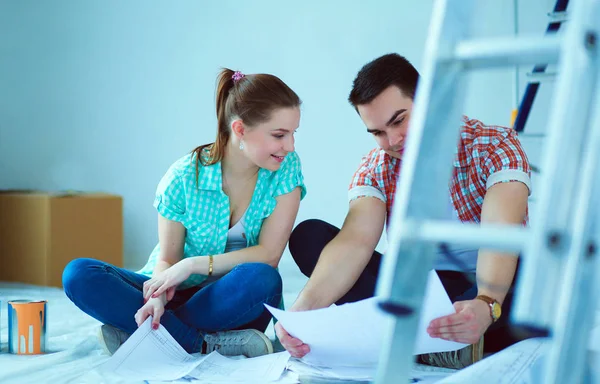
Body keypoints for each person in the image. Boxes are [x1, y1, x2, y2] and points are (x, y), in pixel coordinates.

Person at [276, 53, 531, 369]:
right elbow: (355, 241)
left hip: (493, 280)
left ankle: (430, 335)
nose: (393, 140)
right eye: (378, 132)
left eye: (399, 120)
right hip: (420, 288)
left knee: (538, 280)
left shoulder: (493, 144)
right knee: (310, 236)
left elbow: (501, 232)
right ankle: (436, 340)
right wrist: (302, 313)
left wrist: (486, 303)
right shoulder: (375, 168)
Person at [63, 68, 306, 358]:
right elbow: (167, 258)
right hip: (173, 292)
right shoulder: (183, 176)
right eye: (279, 135)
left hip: (232, 300)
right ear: (240, 129)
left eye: (293, 134)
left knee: (264, 278)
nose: (289, 146)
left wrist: (192, 265)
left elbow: (269, 254)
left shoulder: (286, 169)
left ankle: (146, 335)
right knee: (79, 274)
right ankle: (197, 342)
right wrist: (156, 298)